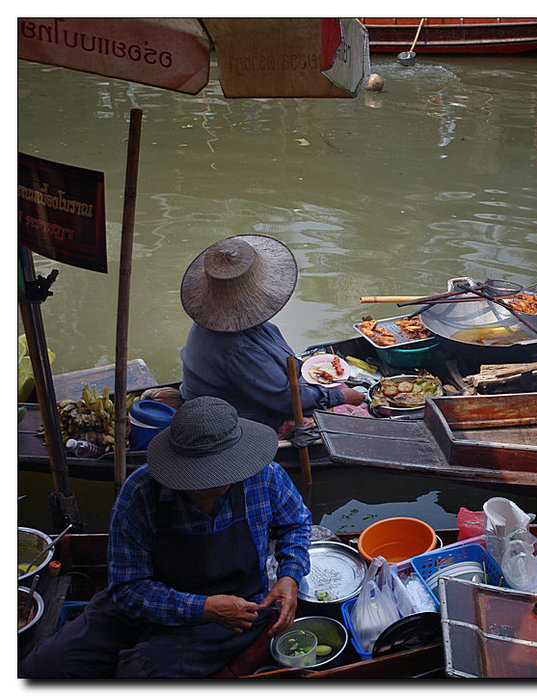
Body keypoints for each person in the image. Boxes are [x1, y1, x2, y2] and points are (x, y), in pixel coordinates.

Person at [19, 396, 312, 678]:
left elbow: (296, 524)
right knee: (45, 667)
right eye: (206, 477)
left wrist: (290, 576)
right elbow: (126, 590)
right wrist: (204, 608)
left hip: (235, 612)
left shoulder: (265, 476)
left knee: (141, 673)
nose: (220, 484)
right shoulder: (140, 492)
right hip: (142, 611)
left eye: (227, 471)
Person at [177, 234, 365, 432]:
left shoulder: (230, 322)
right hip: (238, 419)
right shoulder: (239, 348)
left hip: (256, 392)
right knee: (360, 414)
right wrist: (340, 397)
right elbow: (284, 398)